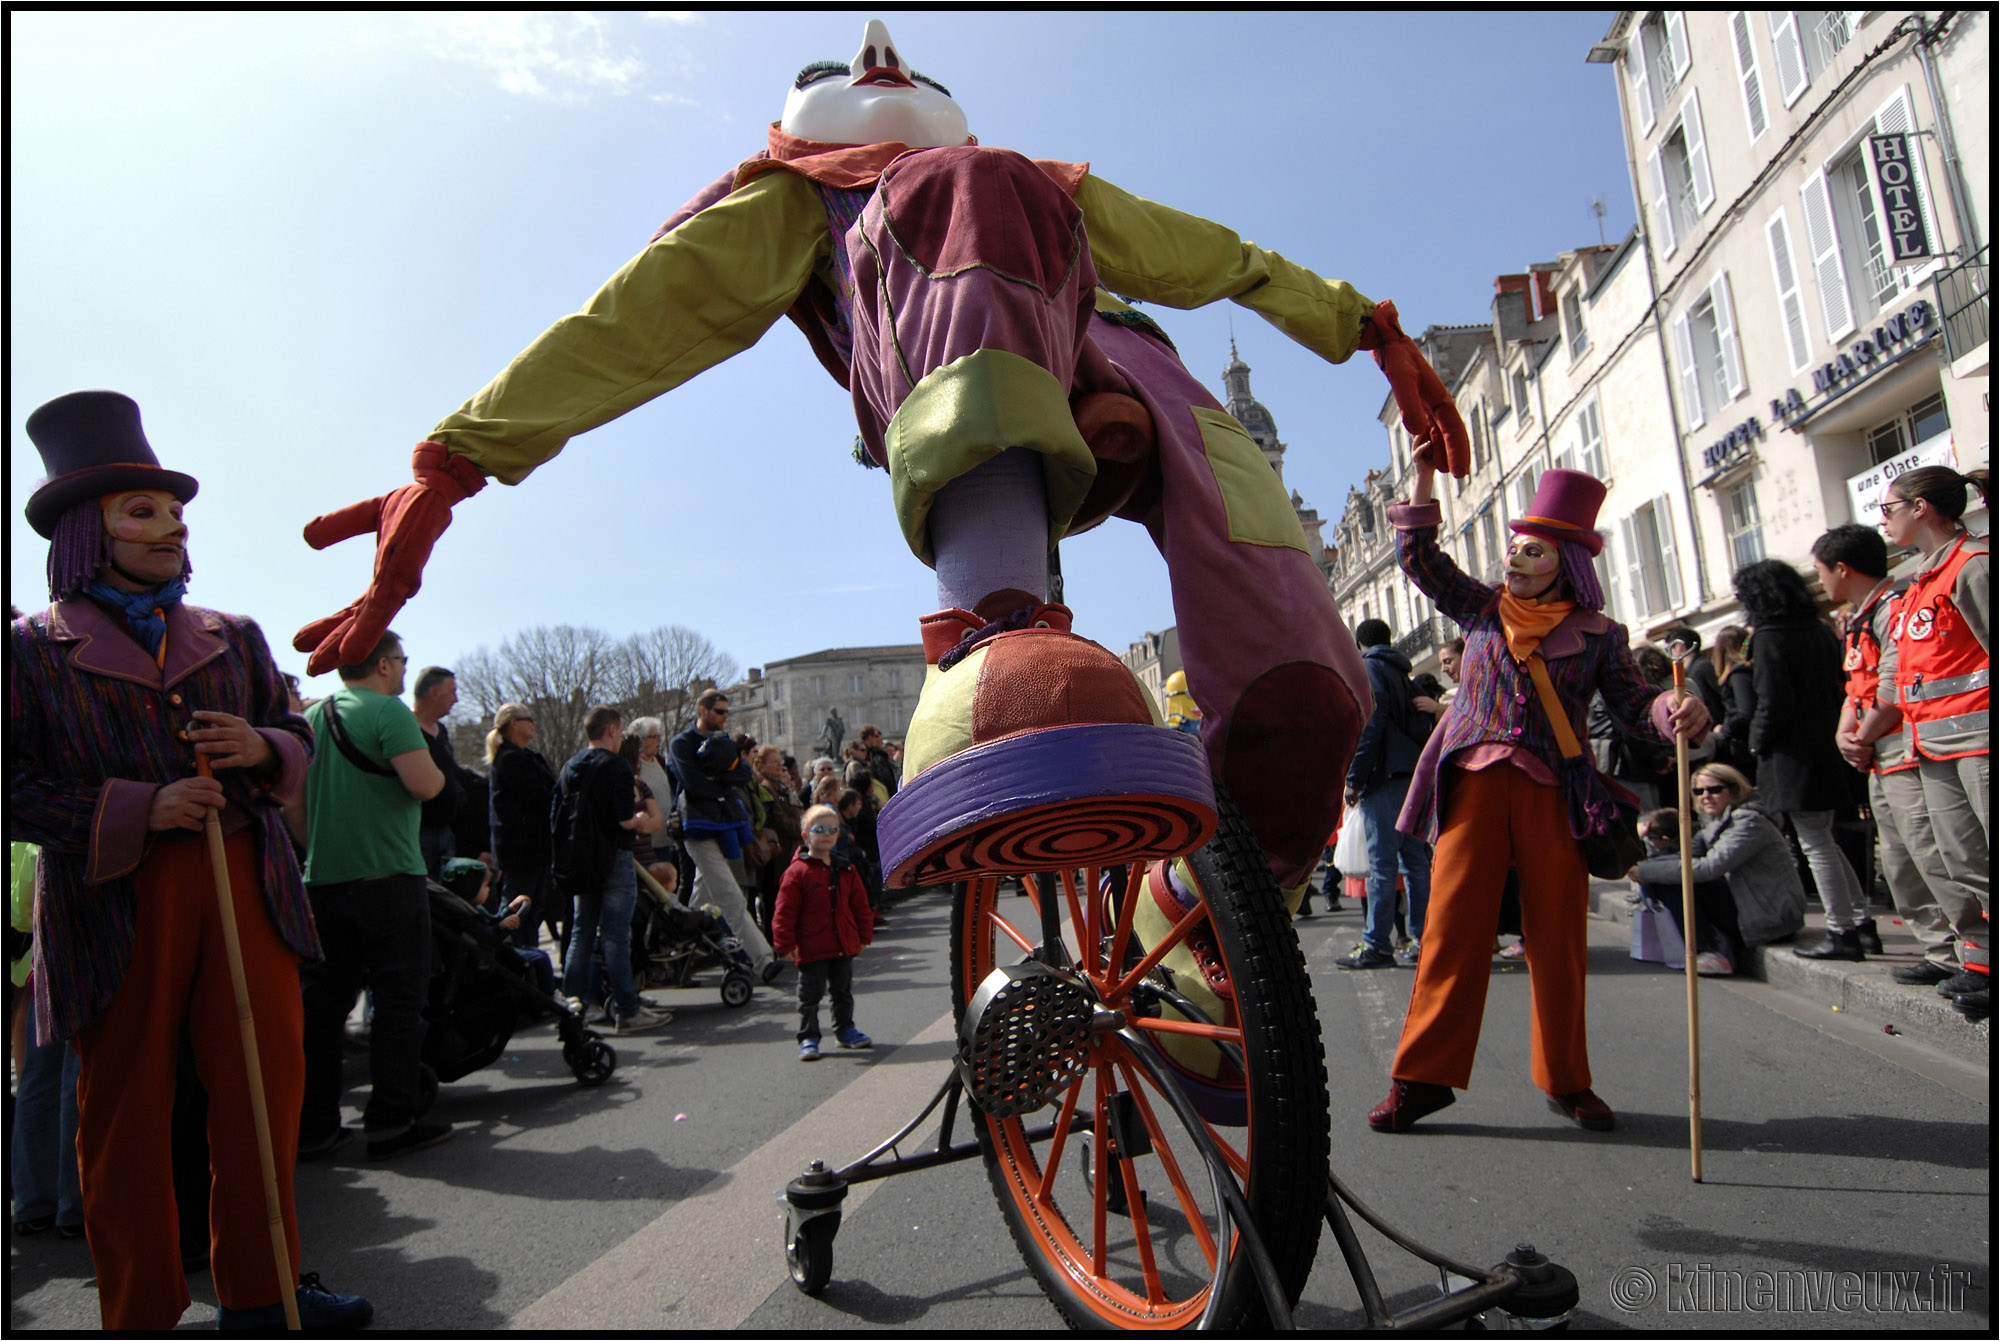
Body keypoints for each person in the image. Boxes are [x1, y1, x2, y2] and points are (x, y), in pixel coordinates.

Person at [290, 18, 1487, 928]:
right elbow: (629, 324)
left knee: (1310, 693)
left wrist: (1361, 326)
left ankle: (1200, 925)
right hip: (947, 376)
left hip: (1129, 380)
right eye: (847, 63)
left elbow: (1212, 255)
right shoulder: (801, 202)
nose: (880, 50)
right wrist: (456, 457)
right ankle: (995, 626)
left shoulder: (1043, 187)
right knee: (970, 190)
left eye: (905, 64)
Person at [11, 390, 369, 1328]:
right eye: (143, 511)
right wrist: (142, 803)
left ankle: (266, 1289)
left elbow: (298, 735)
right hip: (113, 902)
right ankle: (141, 1308)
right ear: (88, 534)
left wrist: (260, 749)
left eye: (175, 512)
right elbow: (12, 787)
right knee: (125, 1110)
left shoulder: (235, 634)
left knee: (263, 1084)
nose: (170, 527)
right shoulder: (29, 654)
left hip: (248, 882)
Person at [1366, 464, 1708, 1134]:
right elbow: (1419, 557)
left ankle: (1567, 1077)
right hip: (1475, 784)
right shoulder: (1482, 607)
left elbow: (1639, 710)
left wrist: (1676, 709)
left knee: (1558, 936)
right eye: (1516, 546)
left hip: (1556, 793)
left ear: (1566, 562)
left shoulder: (1605, 636)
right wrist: (1426, 470)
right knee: (1451, 931)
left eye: (1533, 549)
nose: (1515, 557)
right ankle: (1421, 1078)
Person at [300, 627, 456, 1162]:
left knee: (323, 1010)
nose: (405, 669)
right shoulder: (388, 712)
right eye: (402, 660)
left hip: (322, 879)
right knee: (397, 1004)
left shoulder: (313, 717)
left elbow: (291, 808)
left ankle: (315, 1124)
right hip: (388, 875)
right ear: (384, 665)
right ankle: (390, 1121)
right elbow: (426, 785)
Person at [1815, 524, 1981, 987]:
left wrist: (1861, 735)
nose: (1821, 580)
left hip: (1904, 747)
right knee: (1899, 860)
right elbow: (1857, 686)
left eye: (1821, 570)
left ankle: (1972, 953)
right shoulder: (1858, 616)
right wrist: (1844, 732)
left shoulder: (1894, 607)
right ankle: (1940, 950)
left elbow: (1896, 683)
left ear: (1842, 569)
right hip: (1878, 752)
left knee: (1932, 854)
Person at [1869, 466, 1990, 1019]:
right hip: (1934, 744)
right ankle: (1982, 963)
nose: (1884, 519)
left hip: (1981, 738)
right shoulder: (1918, 579)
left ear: (1921, 508)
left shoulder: (1973, 566)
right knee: (1964, 861)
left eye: (1889, 507)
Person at [1732, 559, 1879, 961]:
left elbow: (1772, 700)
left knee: (1814, 842)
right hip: (1824, 740)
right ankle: (1861, 922)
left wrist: (1757, 744)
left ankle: (1841, 929)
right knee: (1825, 839)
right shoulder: (1817, 629)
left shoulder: (1769, 636)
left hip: (1791, 752)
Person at [552, 707, 672, 1034]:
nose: (621, 738)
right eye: (619, 732)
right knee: (617, 936)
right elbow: (624, 819)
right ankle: (627, 1009)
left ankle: (575, 1004)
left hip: (580, 861)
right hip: (613, 857)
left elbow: (556, 816)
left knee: (581, 932)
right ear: (612, 731)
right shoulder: (617, 767)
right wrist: (642, 821)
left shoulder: (570, 766)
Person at [1629, 765, 1806, 976]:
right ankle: (1705, 948)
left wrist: (1645, 871)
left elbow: (1709, 867)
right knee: (1665, 877)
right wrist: (1644, 848)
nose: (1706, 796)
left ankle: (1707, 951)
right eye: (1699, 791)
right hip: (1745, 902)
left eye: (1714, 790)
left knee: (1672, 880)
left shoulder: (1749, 822)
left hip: (1769, 914)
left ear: (1733, 790)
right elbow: (1683, 857)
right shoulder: (1714, 821)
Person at [1337, 619, 1432, 970]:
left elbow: (1371, 723)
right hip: (1410, 773)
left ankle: (1377, 943)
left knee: (1383, 865)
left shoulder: (1370, 669)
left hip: (1384, 776)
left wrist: (1355, 778)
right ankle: (1424, 936)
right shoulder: (1402, 673)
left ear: (1359, 643)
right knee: (1415, 862)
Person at [670, 691, 781, 981]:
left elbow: (743, 775)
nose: (724, 716)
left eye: (726, 712)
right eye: (720, 711)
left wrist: (715, 779)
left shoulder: (724, 742)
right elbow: (691, 783)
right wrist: (721, 781)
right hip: (698, 827)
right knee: (730, 893)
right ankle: (762, 958)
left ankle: (676, 955)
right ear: (703, 710)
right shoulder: (681, 744)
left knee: (702, 895)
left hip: (727, 824)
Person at [773, 805, 876, 1061]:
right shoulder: (796, 872)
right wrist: (784, 943)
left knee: (842, 992)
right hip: (811, 947)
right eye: (820, 829)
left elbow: (860, 906)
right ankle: (808, 1036)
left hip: (842, 943)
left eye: (833, 829)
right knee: (810, 995)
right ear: (806, 835)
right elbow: (784, 911)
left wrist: (864, 935)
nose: (828, 834)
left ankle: (845, 1030)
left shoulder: (846, 868)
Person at [486, 703, 559, 952]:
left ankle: (530, 963)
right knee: (518, 912)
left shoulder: (528, 757)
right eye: (529, 719)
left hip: (536, 849)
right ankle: (516, 961)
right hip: (521, 852)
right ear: (513, 723)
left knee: (534, 912)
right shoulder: (509, 759)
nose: (534, 724)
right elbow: (539, 796)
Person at [411, 665, 468, 877]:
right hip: (418, 834)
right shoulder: (406, 728)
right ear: (434, 693)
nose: (456, 699)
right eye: (452, 692)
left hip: (445, 833)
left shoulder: (441, 731)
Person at [1707, 625, 1757, 779]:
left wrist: (1724, 730)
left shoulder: (1738, 674)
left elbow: (1745, 711)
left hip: (1744, 745)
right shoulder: (1748, 669)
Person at [1662, 625, 1727, 732]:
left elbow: (1724, 695)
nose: (1669, 655)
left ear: (1679, 647)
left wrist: (1725, 726)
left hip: (1720, 728)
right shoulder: (1694, 668)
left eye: (1670, 649)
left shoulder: (1701, 667)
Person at [858, 724, 900, 798]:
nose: (880, 738)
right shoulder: (872, 758)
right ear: (869, 738)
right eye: (877, 736)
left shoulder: (881, 756)